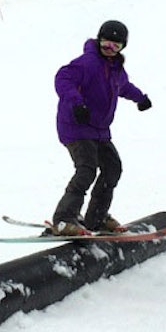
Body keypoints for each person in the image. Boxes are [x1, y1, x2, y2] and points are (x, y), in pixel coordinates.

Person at [49, 20, 152, 236]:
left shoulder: (116, 69)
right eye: (106, 44)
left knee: (112, 167)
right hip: (75, 126)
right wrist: (76, 103)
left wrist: (140, 98)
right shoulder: (88, 62)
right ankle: (63, 219)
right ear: (99, 40)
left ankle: (96, 217)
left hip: (99, 130)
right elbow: (63, 78)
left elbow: (124, 87)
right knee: (87, 168)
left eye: (116, 46)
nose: (110, 49)